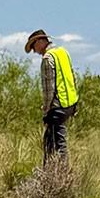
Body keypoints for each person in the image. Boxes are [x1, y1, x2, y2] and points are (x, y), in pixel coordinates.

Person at [25, 28, 78, 162]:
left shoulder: (47, 59)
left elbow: (48, 89)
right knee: (56, 142)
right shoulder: (63, 52)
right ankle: (55, 171)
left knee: (54, 145)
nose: (34, 51)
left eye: (33, 46)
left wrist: (46, 111)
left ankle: (58, 173)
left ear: (40, 41)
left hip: (57, 106)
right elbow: (73, 78)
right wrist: (75, 104)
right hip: (69, 104)